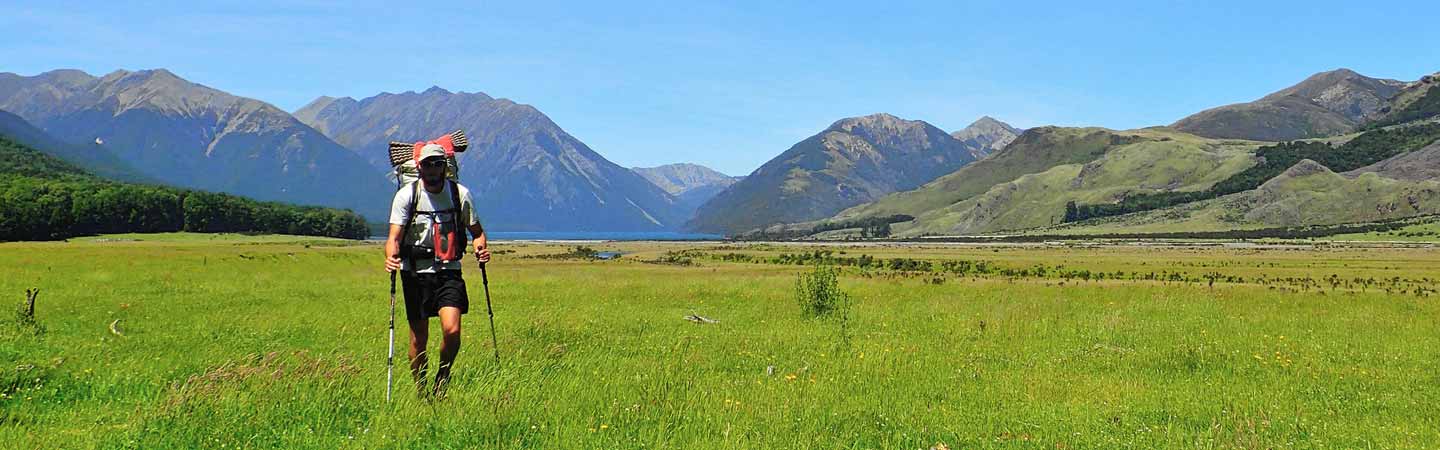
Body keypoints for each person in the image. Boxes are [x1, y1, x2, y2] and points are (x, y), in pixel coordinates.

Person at [384, 143, 490, 398]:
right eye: (427, 164)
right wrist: (390, 257)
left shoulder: (459, 194)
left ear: (445, 167)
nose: (432, 169)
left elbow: (477, 232)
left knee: (452, 331)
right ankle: (422, 393)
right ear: (419, 167)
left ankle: (443, 375)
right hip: (414, 273)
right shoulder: (406, 196)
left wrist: (480, 248)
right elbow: (394, 237)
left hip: (448, 271)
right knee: (418, 341)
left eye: (437, 164)